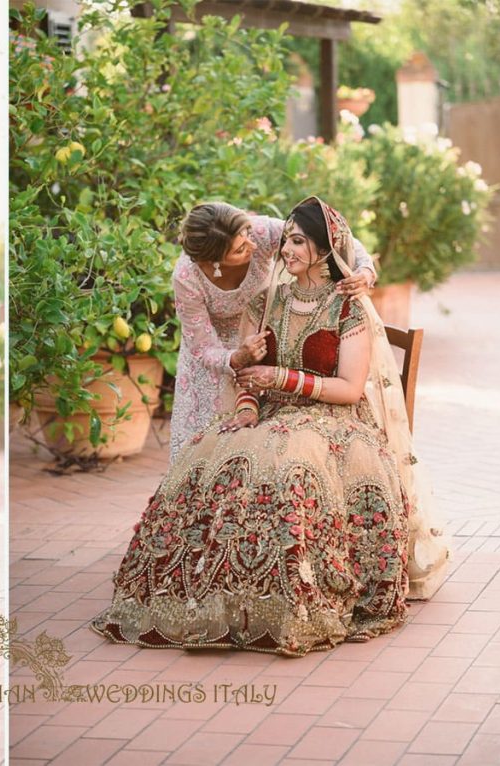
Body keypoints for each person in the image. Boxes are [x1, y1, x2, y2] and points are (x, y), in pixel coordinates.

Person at [93, 197, 445, 656]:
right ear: (212, 259)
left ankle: (279, 602)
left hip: (331, 420)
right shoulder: (265, 300)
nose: (279, 249)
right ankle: (212, 594)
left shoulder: (348, 308)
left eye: (296, 242)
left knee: (285, 468)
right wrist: (245, 405)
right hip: (262, 401)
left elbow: (349, 390)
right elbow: (245, 367)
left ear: (322, 248)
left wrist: (279, 377)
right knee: (209, 458)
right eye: (286, 241)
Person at [169, 202, 377, 458]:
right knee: (206, 450)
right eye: (240, 249)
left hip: (267, 332)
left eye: (247, 235)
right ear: (215, 262)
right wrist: (237, 361)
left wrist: (365, 271)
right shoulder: (187, 277)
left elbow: (332, 235)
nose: (253, 245)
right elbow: (202, 346)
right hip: (215, 355)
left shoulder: (256, 232)